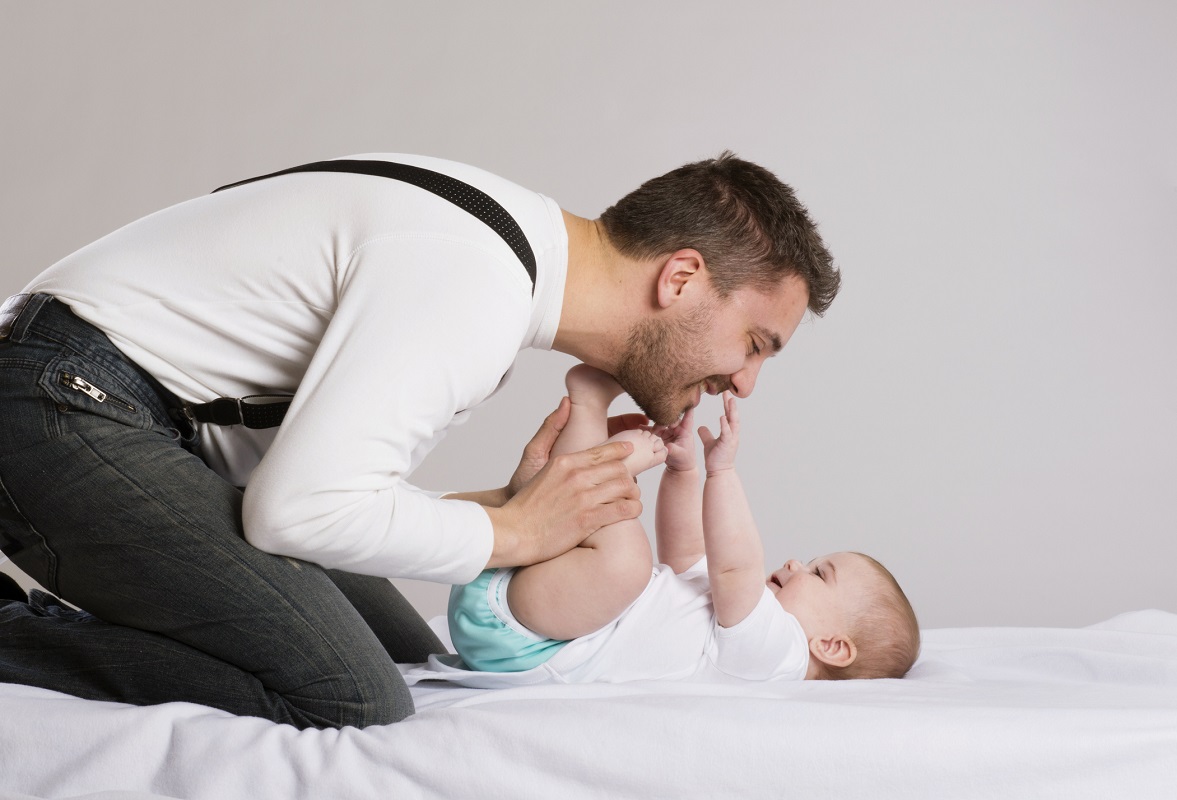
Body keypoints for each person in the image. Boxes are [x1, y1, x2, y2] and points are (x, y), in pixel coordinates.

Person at [0, 151, 840, 728]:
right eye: (756, 344)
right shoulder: (473, 283)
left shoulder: (498, 266)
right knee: (353, 695)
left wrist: (519, 510)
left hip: (118, 409)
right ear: (682, 277)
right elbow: (296, 514)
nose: (745, 382)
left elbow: (298, 489)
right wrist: (515, 532)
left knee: (411, 664)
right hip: (57, 399)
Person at [437, 367, 919, 685]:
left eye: (818, 573)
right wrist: (683, 472)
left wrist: (722, 472)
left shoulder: (779, 658)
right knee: (617, 557)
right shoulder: (732, 630)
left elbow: (737, 567)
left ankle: (594, 428)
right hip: (536, 604)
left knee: (626, 565)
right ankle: (589, 416)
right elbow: (686, 553)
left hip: (532, 640)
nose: (796, 562)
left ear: (831, 647)